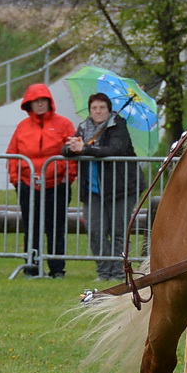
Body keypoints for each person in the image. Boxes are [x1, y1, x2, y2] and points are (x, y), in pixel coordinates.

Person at [63, 92, 145, 282]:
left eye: (102, 108)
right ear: (89, 110)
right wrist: (72, 147)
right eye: (94, 108)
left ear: (109, 110)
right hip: (93, 190)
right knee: (95, 230)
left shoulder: (118, 125)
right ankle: (103, 271)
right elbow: (66, 150)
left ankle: (117, 272)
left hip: (122, 188)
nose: (98, 111)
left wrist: (84, 149)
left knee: (117, 231)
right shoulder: (84, 128)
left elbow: (114, 149)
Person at [6, 83, 77, 278]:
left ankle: (57, 269)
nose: (39, 105)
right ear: (29, 103)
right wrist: (16, 180)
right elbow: (12, 154)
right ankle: (32, 267)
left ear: (49, 102)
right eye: (35, 101)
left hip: (57, 185)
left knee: (56, 228)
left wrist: (67, 178)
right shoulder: (22, 127)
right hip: (28, 185)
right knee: (32, 227)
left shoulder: (64, 124)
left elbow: (72, 152)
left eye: (42, 100)